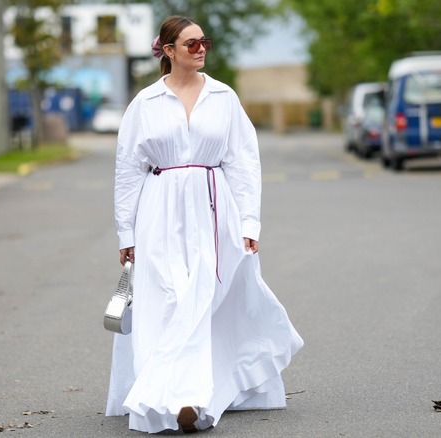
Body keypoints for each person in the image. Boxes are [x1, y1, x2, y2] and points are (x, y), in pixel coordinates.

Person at [106, 15, 303, 434]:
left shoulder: (223, 97)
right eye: (190, 43)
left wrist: (250, 222)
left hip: (214, 211)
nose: (200, 49)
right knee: (167, 300)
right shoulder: (145, 103)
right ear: (167, 50)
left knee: (203, 298)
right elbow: (127, 170)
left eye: (204, 42)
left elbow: (244, 162)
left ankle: (191, 398)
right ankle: (170, 395)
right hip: (157, 213)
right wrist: (126, 231)